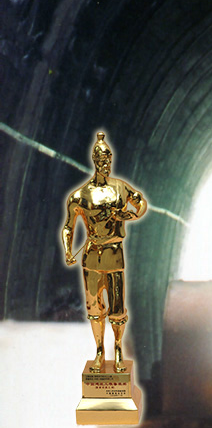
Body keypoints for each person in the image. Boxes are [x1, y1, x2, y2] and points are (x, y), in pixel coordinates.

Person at [62, 131, 147, 372]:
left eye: (108, 160)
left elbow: (140, 202)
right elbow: (69, 227)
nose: (106, 164)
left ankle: (117, 347)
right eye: (102, 161)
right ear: (95, 162)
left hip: (114, 253)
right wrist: (69, 250)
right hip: (91, 256)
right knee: (94, 308)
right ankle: (99, 349)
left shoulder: (120, 188)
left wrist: (128, 215)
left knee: (117, 308)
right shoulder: (80, 196)